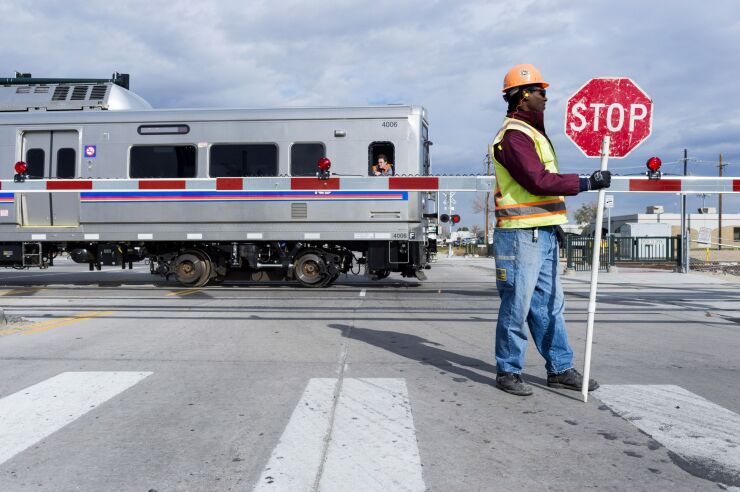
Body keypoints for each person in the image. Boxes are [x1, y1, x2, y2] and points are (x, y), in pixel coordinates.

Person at [491, 64, 611, 396]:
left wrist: (553, 224)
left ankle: (559, 368)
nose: (547, 97)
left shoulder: (533, 134)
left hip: (540, 231)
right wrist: (586, 182)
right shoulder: (514, 137)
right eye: (541, 92)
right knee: (518, 304)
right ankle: (508, 370)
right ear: (523, 96)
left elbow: (542, 189)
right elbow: (536, 181)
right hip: (519, 235)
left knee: (549, 305)